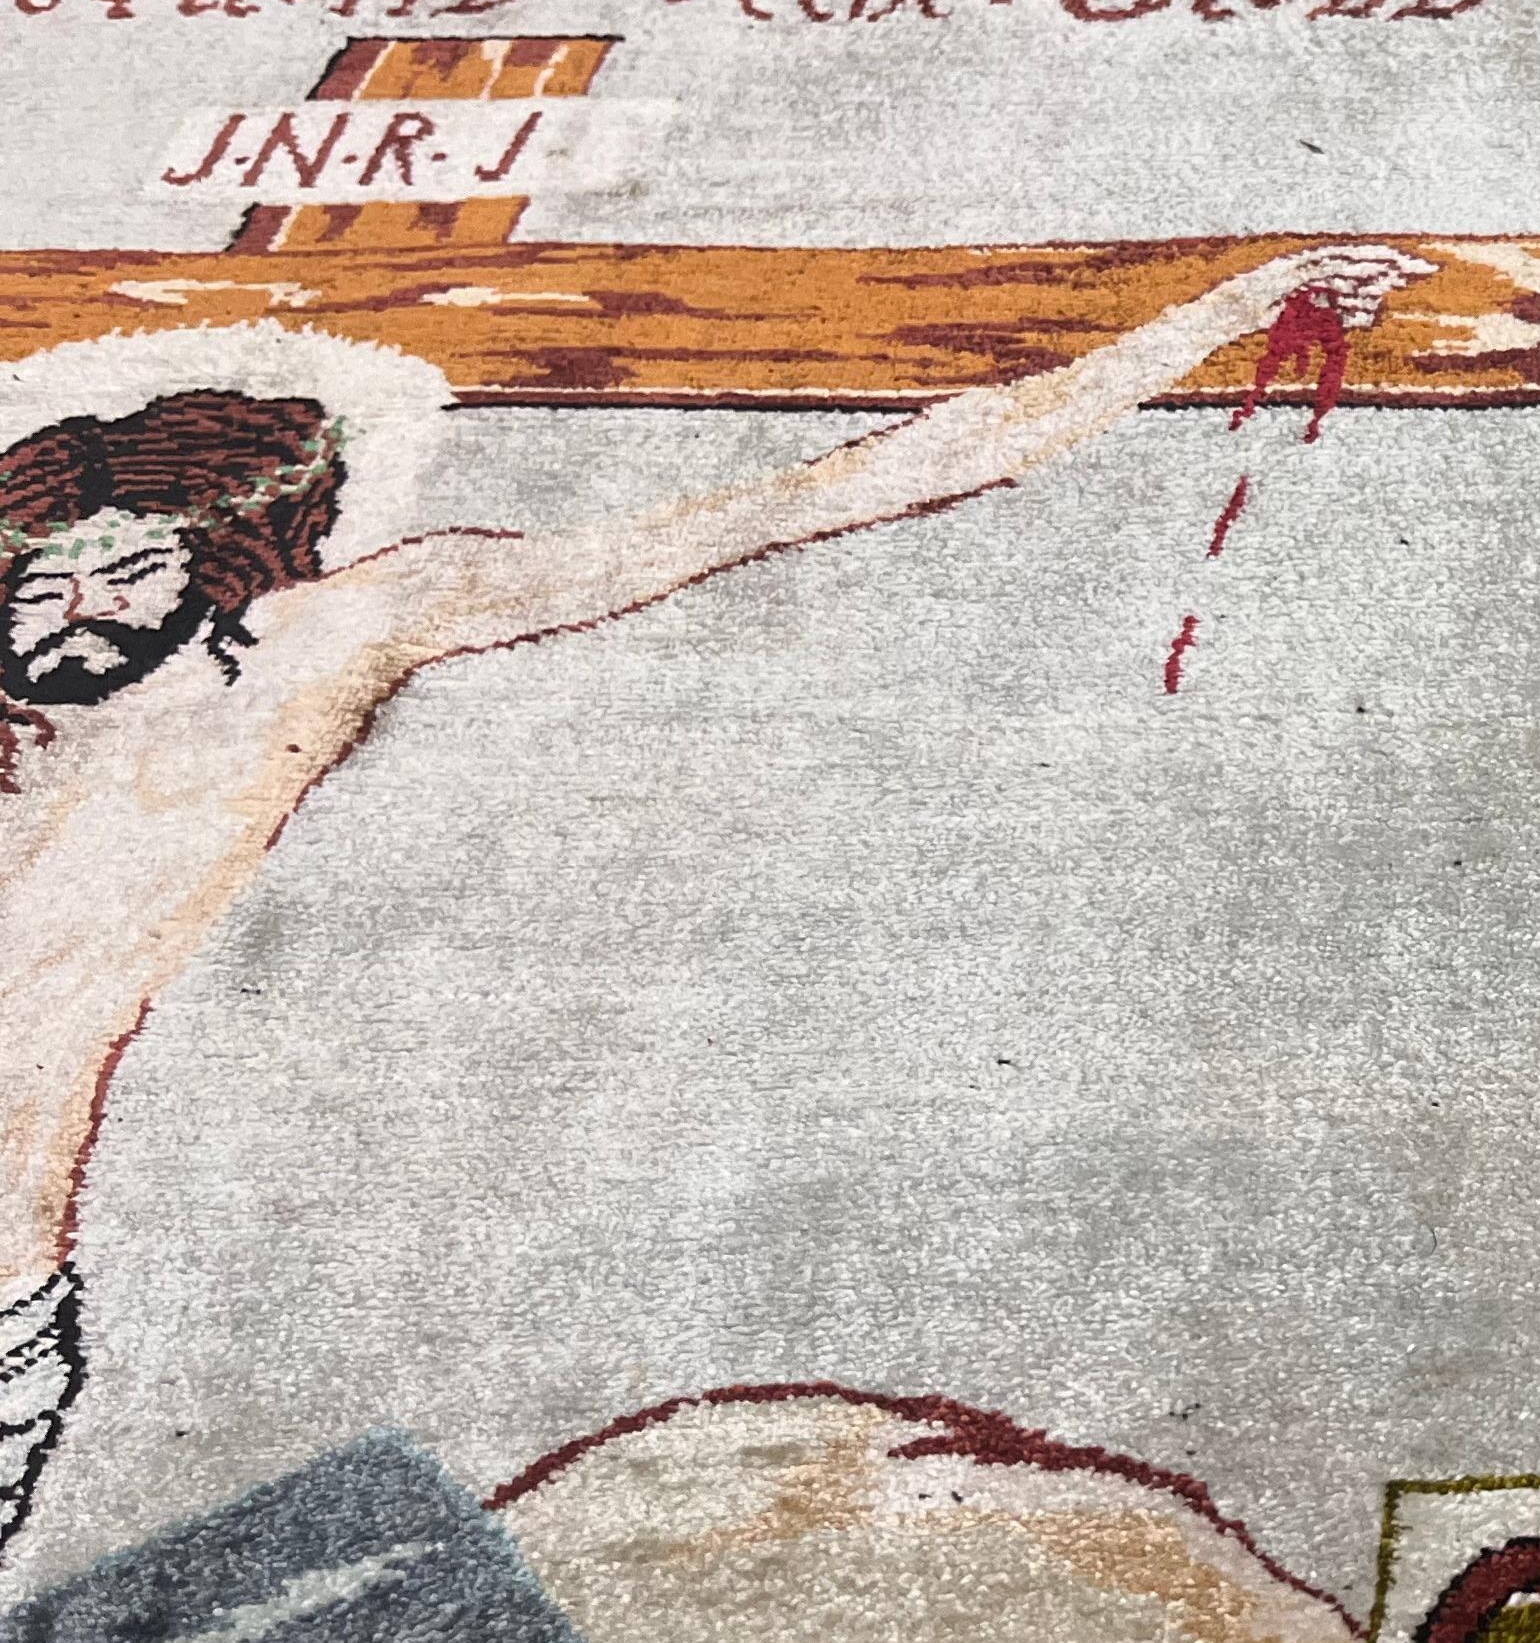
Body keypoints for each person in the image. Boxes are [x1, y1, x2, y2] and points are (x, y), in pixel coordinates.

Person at [0, 240, 1424, 1550]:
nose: (77, 610)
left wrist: (1216, 317)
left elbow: (821, 495)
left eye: (129, 570)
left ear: (223, 565)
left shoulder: (320, 650)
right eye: (42, 583)